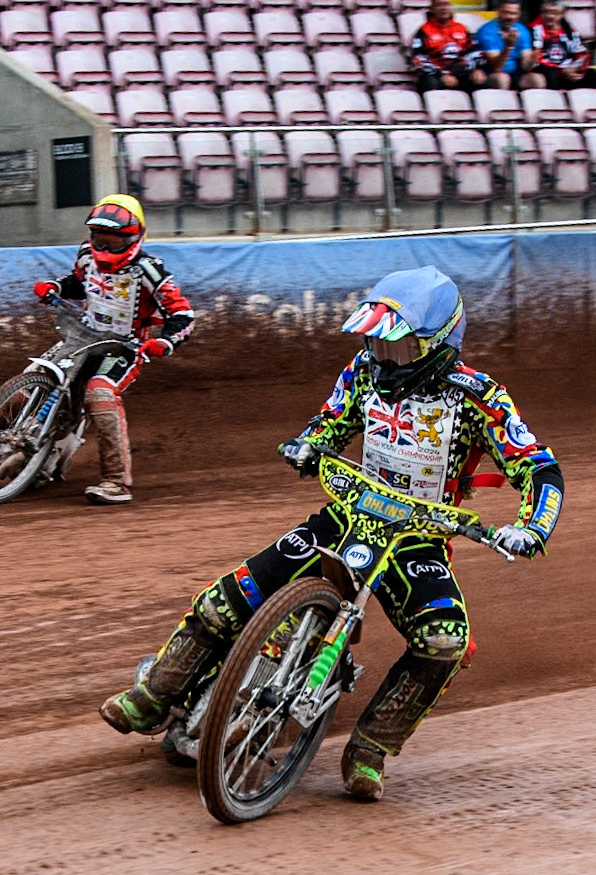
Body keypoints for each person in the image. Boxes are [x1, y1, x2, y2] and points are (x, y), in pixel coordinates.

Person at [99, 267, 565, 800]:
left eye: (398, 348)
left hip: (417, 538)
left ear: (438, 345)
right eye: (374, 342)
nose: (381, 358)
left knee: (445, 641)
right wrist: (308, 443)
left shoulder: (479, 397)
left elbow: (539, 466)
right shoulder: (364, 371)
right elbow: (332, 421)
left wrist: (532, 527)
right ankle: (156, 692)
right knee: (227, 598)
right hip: (346, 514)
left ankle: (370, 747)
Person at [32, 194, 194, 505]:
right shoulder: (85, 256)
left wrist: (166, 341)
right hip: (83, 335)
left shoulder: (150, 270)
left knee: (100, 393)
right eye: (100, 240)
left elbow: (183, 314)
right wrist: (55, 286)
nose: (105, 249)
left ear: (135, 238)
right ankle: (20, 450)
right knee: (36, 376)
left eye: (115, 242)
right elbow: (80, 284)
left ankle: (115, 481)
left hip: (124, 347)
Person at [528, 0, 596, 90]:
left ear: (562, 14)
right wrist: (561, 71)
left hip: (567, 72)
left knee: (592, 74)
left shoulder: (569, 31)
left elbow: (582, 55)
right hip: (547, 72)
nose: (550, 16)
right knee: (550, 75)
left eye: (554, 13)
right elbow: (536, 60)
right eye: (546, 12)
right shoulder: (533, 30)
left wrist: (574, 68)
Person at [410, 0, 474, 93]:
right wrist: (442, 75)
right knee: (430, 83)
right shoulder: (424, 30)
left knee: (479, 79)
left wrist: (476, 70)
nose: (444, 8)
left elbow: (473, 52)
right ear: (432, 9)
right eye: (439, 5)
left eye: (446, 4)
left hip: (460, 72)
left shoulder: (462, 28)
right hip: (435, 74)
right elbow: (418, 59)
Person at [473, 0, 537, 90]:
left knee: (536, 79)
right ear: (498, 11)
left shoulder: (522, 30)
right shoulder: (487, 31)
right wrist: (509, 46)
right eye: (506, 13)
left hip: (515, 73)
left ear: (519, 14)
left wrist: (532, 60)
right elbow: (497, 67)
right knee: (502, 79)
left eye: (513, 13)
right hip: (491, 74)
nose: (509, 17)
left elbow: (525, 66)